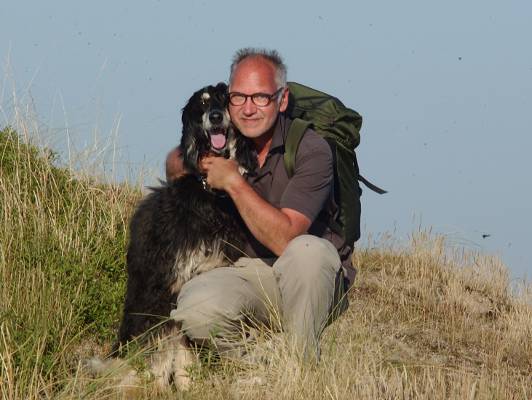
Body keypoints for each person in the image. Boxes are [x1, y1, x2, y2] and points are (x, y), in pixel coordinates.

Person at [169, 48, 355, 362]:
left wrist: (233, 181)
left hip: (306, 275)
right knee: (195, 308)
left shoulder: (311, 150)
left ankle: (301, 364)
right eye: (238, 97)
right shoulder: (226, 140)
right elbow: (175, 160)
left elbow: (286, 239)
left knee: (308, 251)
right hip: (248, 272)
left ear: (281, 99)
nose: (247, 109)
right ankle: (261, 363)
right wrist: (194, 164)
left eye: (260, 98)